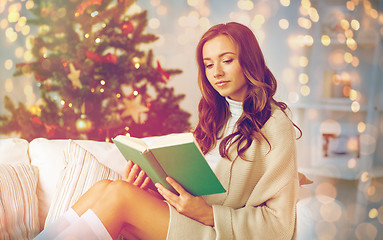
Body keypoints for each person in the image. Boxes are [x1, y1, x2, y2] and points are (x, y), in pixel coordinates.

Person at [34, 22, 301, 240]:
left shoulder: (274, 124)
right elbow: (202, 187)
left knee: (119, 195)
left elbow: (279, 223)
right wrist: (156, 187)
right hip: (190, 218)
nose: (216, 72)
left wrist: (208, 213)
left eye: (227, 60)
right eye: (208, 65)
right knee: (109, 186)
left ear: (249, 62)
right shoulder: (215, 118)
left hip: (215, 230)